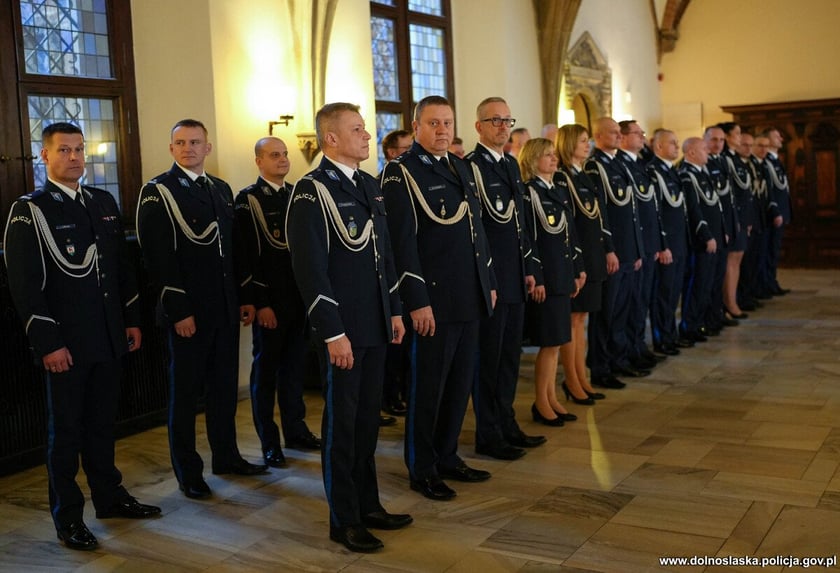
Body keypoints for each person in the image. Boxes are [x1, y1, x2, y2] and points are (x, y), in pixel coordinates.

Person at [4, 122, 160, 551]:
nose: (73, 157)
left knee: (101, 426)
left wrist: (130, 320)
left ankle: (109, 497)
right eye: (63, 151)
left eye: (78, 149)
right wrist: (48, 343)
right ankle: (68, 518)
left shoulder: (102, 201)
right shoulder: (31, 209)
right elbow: (25, 284)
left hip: (108, 337)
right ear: (45, 156)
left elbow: (120, 269)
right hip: (66, 344)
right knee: (66, 433)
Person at [286, 102, 411, 553]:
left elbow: (386, 257)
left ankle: (369, 504)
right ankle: (344, 519)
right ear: (331, 138)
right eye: (357, 129)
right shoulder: (310, 191)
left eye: (365, 128)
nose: (366, 135)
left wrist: (395, 310)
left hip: (376, 323)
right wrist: (332, 332)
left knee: (367, 424)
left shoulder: (369, 186)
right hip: (343, 330)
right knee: (342, 427)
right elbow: (310, 270)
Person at [137, 119, 267, 501]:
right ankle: (188, 472)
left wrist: (244, 296)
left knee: (224, 390)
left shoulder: (220, 189)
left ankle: (226, 457)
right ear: (171, 148)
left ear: (207, 148)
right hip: (189, 313)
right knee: (185, 395)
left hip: (224, 310)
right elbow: (158, 258)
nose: (188, 148)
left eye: (195, 142)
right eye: (180, 142)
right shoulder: (158, 192)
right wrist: (179, 310)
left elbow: (234, 249)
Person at [382, 95, 496, 502]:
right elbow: (402, 244)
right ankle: (422, 466)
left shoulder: (460, 166)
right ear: (416, 128)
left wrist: (489, 282)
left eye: (447, 122)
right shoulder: (400, 173)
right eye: (433, 123)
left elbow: (476, 232)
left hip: (468, 296)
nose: (442, 130)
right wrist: (416, 300)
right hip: (433, 301)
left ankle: (448, 455)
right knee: (428, 387)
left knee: (459, 383)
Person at [233, 137, 321, 469]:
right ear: (259, 161)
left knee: (295, 371)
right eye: (274, 155)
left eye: (284, 154)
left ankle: (296, 431)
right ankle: (270, 443)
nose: (283, 160)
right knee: (266, 375)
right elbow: (247, 257)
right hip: (271, 301)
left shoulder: (298, 194)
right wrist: (261, 302)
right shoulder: (248, 200)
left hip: (299, 301)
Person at [466, 97, 543, 460]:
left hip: (515, 276)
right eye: (494, 120)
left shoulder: (511, 164)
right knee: (489, 359)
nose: (502, 126)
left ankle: (507, 421)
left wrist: (530, 268)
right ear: (479, 126)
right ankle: (489, 432)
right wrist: (490, 280)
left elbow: (521, 225)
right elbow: (476, 231)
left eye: (506, 120)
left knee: (510, 356)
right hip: (492, 280)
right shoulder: (470, 167)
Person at [519, 138, 586, 426]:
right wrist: (539, 278)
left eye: (552, 154)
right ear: (533, 160)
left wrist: (578, 269)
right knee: (549, 343)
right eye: (546, 155)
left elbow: (570, 234)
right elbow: (529, 239)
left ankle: (552, 398)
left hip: (563, 275)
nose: (553, 159)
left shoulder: (556, 190)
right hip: (548, 277)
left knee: (558, 342)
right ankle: (541, 402)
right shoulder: (529, 193)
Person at [583, 117, 645, 387]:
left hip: (629, 249)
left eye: (620, 132)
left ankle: (619, 360)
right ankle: (600, 366)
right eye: (613, 132)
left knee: (622, 310)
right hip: (613, 251)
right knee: (606, 313)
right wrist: (609, 249)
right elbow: (602, 212)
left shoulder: (618, 163)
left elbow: (631, 212)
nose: (619, 136)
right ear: (597, 135)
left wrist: (637, 249)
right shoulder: (595, 167)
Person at [555, 124, 610, 402]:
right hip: (578, 256)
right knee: (572, 320)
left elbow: (597, 216)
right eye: (582, 140)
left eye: (588, 140)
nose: (587, 145)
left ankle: (582, 377)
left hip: (593, 252)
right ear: (568, 143)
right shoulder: (562, 177)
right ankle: (572, 379)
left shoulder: (584, 174)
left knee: (582, 319)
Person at [617, 120, 669, 369]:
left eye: (642, 134)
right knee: (632, 302)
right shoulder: (620, 165)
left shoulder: (640, 165)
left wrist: (658, 243)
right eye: (637, 134)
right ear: (623, 137)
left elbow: (652, 208)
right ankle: (628, 350)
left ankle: (638, 344)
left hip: (647, 243)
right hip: (635, 245)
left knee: (642, 300)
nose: (642, 138)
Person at [378, 129, 415, 422]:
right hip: (393, 275)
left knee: (405, 346)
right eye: (406, 148)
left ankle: (401, 391)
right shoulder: (387, 180)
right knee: (394, 346)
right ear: (391, 152)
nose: (410, 152)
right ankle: (389, 395)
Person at [647, 129, 694, 354]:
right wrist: (662, 244)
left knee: (674, 292)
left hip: (679, 241)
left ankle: (671, 334)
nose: (677, 147)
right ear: (659, 147)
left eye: (677, 143)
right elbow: (656, 212)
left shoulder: (671, 171)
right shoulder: (654, 172)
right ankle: (661, 337)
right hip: (667, 243)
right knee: (663, 294)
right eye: (672, 143)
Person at [679, 137, 724, 343]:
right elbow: (694, 210)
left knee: (708, 284)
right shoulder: (687, 176)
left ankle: (701, 322)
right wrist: (706, 235)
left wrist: (721, 230)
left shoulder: (700, 174)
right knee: (697, 284)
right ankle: (690, 325)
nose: (708, 151)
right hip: (701, 240)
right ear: (692, 153)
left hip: (713, 237)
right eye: (704, 148)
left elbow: (714, 205)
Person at [703, 125, 738, 333]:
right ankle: (706, 318)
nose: (718, 144)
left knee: (717, 276)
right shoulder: (703, 164)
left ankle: (717, 313)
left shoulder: (721, 161)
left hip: (722, 226)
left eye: (721, 140)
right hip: (709, 229)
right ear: (704, 140)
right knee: (706, 280)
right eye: (713, 139)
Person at [719, 122, 753, 319]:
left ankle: (733, 300)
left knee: (737, 259)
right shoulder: (726, 160)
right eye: (737, 133)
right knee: (731, 261)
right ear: (728, 136)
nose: (740, 137)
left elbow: (745, 193)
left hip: (740, 217)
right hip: (732, 218)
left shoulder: (736, 159)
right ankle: (729, 303)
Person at [762, 127, 792, 296]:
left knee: (774, 249)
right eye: (776, 136)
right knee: (769, 250)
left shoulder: (775, 161)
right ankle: (767, 283)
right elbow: (769, 190)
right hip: (772, 213)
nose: (780, 138)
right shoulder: (766, 162)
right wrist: (775, 212)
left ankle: (771, 281)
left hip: (781, 210)